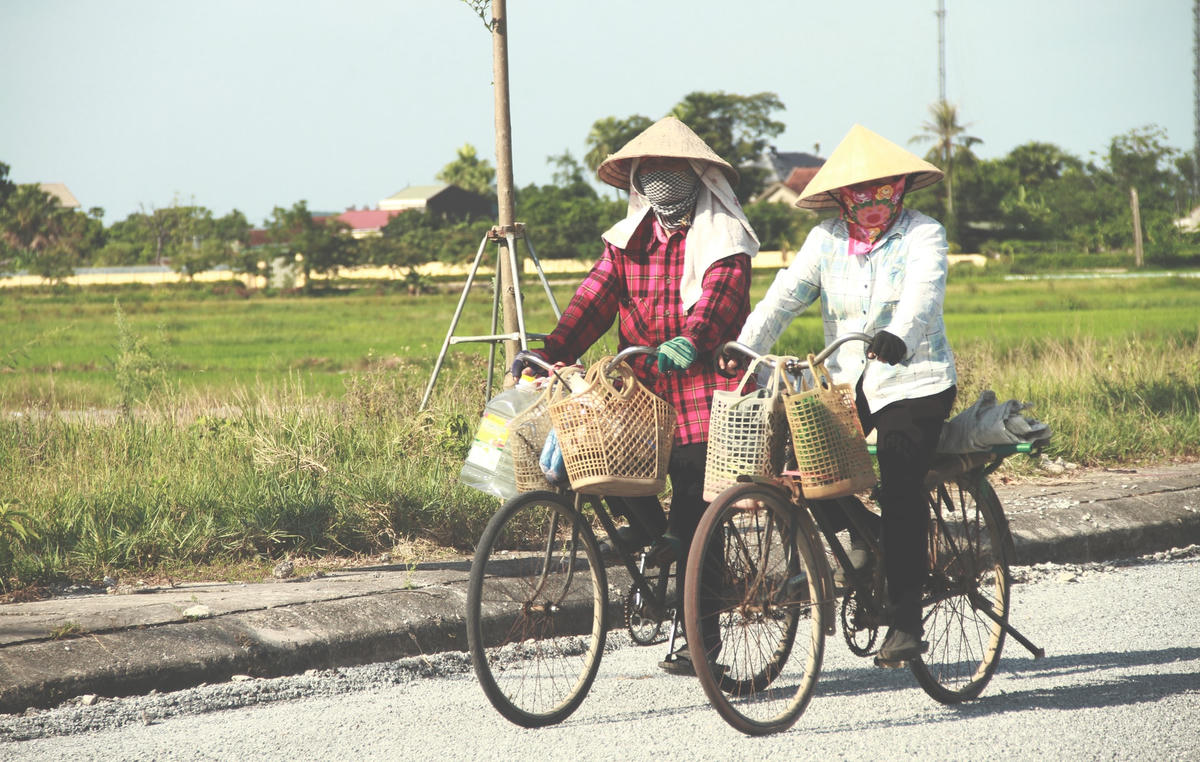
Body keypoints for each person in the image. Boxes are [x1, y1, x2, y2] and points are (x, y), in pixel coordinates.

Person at [514, 116, 759, 674]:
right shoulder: (627, 244)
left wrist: (694, 338)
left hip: (706, 391)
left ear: (697, 178)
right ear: (638, 182)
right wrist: (549, 349)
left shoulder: (722, 239)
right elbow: (592, 300)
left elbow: (722, 299)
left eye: (671, 173)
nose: (660, 184)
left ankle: (700, 638)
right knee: (602, 467)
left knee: (697, 513)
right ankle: (658, 552)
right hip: (640, 393)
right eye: (650, 174)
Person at [728, 124, 957, 664]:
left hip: (914, 380)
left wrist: (900, 335)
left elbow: (924, 293)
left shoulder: (923, 234)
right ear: (840, 198)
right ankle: (862, 540)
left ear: (900, 189)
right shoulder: (826, 239)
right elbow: (785, 297)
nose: (873, 203)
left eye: (884, 191)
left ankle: (905, 620)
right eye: (860, 195)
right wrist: (744, 346)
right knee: (802, 470)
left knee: (900, 482)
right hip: (849, 382)